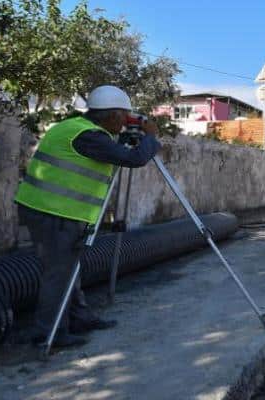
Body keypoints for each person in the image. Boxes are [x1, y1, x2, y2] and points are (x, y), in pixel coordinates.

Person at [14, 85, 162, 348]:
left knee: (70, 267)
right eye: (124, 117)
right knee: (58, 273)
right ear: (114, 116)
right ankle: (49, 334)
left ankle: (80, 318)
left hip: (52, 209)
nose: (126, 122)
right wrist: (151, 137)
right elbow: (135, 159)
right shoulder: (88, 137)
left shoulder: (76, 127)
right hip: (53, 211)